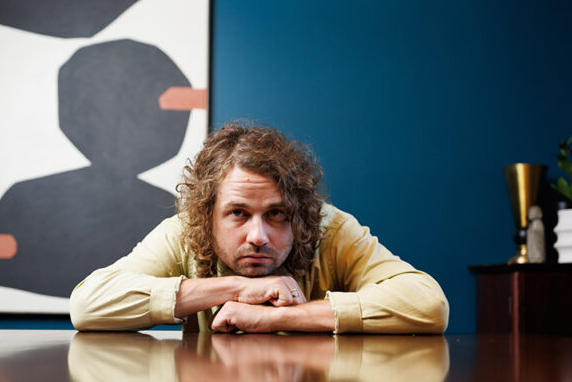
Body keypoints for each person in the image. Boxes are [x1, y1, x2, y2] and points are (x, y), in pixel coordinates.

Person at [69, 122, 449, 334]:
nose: (258, 236)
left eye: (277, 214)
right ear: (206, 215)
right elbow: (88, 304)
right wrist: (238, 287)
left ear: (301, 214)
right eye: (238, 213)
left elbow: (428, 303)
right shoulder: (185, 232)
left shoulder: (329, 227)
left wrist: (279, 318)